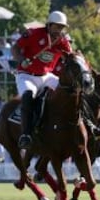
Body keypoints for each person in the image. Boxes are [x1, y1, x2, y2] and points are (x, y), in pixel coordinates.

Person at [11, 11, 72, 149]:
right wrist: (22, 59)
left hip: (46, 76)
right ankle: (26, 134)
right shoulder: (33, 33)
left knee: (70, 91)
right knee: (28, 96)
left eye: (62, 28)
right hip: (26, 75)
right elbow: (15, 49)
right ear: (49, 25)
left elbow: (70, 57)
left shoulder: (62, 41)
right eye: (57, 27)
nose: (59, 31)